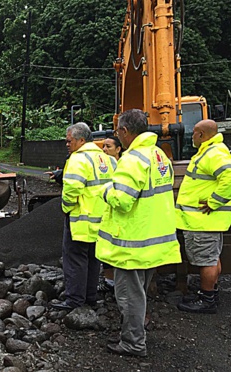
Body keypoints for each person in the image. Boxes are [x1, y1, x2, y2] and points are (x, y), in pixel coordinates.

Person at [96, 109, 181, 357]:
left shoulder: (132, 160)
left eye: (118, 132)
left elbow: (122, 201)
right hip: (154, 240)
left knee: (129, 297)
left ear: (124, 131)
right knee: (139, 293)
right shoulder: (158, 156)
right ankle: (134, 334)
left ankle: (133, 343)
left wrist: (105, 191)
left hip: (133, 244)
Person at [51, 122, 116, 311]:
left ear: (81, 140)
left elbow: (71, 190)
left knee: (75, 259)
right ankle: (90, 297)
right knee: (94, 259)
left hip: (81, 220)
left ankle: (74, 300)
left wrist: (66, 208)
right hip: (102, 220)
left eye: (69, 140)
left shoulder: (77, 160)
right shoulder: (108, 159)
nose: (67, 144)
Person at [175, 119, 231, 314]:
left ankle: (207, 301)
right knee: (212, 258)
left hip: (202, 221)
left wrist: (214, 202)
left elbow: (229, 178)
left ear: (201, 135)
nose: (192, 137)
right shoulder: (211, 151)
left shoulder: (214, 153)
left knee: (206, 260)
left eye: (194, 133)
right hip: (206, 221)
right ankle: (210, 293)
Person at [97, 136, 123, 293]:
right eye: (103, 147)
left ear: (118, 149)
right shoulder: (103, 165)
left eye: (108, 147)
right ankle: (109, 280)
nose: (104, 150)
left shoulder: (124, 166)